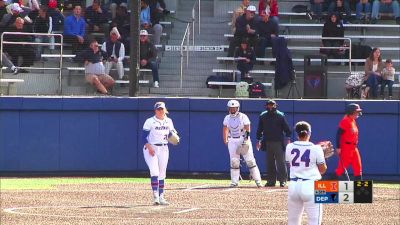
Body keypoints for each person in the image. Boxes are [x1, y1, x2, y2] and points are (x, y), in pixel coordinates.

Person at [286, 121, 327, 225]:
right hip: (310, 186)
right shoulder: (316, 148)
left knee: (293, 222)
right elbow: (323, 170)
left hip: (293, 186)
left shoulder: (289, 147)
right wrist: (322, 157)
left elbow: (290, 165)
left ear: (297, 133)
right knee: (314, 222)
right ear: (309, 133)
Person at [142, 101, 176, 205]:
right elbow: (143, 136)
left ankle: (161, 197)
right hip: (151, 148)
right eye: (158, 109)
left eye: (162, 109)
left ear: (165, 109)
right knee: (154, 172)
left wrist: (174, 135)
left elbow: (172, 132)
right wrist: (149, 146)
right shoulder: (150, 121)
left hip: (164, 148)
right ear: (155, 110)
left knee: (162, 173)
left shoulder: (169, 121)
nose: (160, 111)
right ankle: (155, 196)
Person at [223, 100, 262, 188]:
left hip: (243, 138)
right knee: (234, 161)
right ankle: (234, 182)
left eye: (234, 108)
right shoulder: (227, 118)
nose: (232, 110)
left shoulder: (243, 116)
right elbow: (225, 128)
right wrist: (225, 140)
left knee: (250, 161)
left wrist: (246, 140)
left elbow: (248, 128)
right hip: (232, 140)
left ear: (238, 108)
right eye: (231, 108)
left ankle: (258, 181)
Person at [256, 99, 292, 187]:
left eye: (272, 105)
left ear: (276, 106)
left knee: (281, 162)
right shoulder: (263, 116)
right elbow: (260, 129)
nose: (271, 107)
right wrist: (259, 140)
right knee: (270, 162)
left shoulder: (280, 116)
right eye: (269, 105)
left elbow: (287, 129)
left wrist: (288, 138)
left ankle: (283, 180)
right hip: (267, 142)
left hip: (278, 142)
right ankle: (271, 181)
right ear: (266, 106)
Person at [334, 103, 363, 180]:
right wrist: (338, 147)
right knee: (341, 169)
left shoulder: (353, 121)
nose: (358, 113)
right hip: (346, 147)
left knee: (358, 168)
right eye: (356, 111)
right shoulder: (345, 121)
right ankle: (328, 185)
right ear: (351, 112)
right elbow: (338, 134)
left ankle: (360, 190)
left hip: (354, 147)